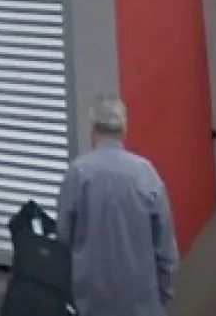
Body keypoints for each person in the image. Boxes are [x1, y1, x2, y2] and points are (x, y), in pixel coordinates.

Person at [56, 97, 179, 316]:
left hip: (91, 300)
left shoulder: (77, 173)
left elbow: (64, 236)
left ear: (93, 129)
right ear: (124, 130)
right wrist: (163, 295)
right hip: (142, 302)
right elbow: (165, 247)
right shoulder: (146, 173)